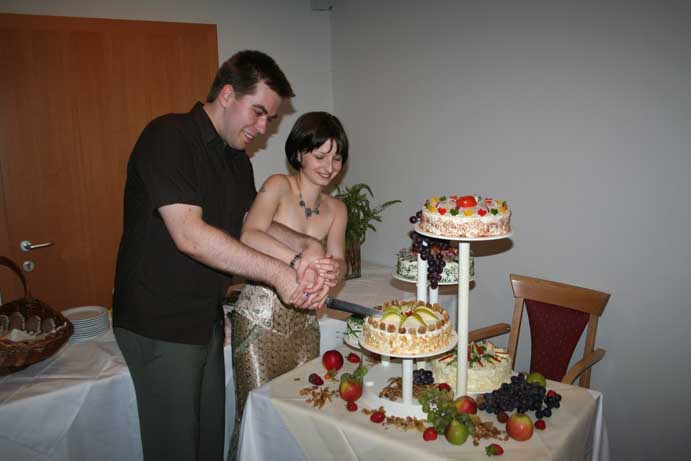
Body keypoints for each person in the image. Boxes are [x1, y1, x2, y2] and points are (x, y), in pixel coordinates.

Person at [112, 51, 336, 461]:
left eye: (270, 119)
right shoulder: (169, 136)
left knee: (208, 442)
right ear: (228, 95)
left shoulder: (236, 160)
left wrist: (303, 250)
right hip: (160, 320)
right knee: (176, 448)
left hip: (206, 318)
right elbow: (190, 235)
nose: (263, 128)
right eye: (259, 113)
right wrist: (281, 275)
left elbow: (251, 226)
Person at [229, 111, 349, 456]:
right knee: (255, 418)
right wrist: (299, 259)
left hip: (304, 324)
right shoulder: (278, 186)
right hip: (259, 320)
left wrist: (332, 272)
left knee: (301, 416)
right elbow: (249, 234)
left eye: (336, 158)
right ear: (298, 153)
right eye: (320, 156)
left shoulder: (337, 209)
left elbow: (339, 260)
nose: (329, 167)